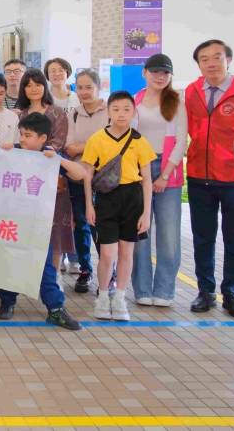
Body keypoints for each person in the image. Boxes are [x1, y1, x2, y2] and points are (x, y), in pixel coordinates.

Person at [184, 39, 234, 319]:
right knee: (202, 238)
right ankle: (205, 291)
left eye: (217, 57)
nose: (211, 63)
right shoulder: (193, 91)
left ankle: (231, 293)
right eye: (204, 59)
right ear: (198, 64)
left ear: (227, 60)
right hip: (199, 176)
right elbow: (191, 128)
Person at [0, 113, 85, 331]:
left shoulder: (49, 156)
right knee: (11, 261)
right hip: (13, 222)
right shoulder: (12, 151)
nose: (23, 139)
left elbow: (80, 174)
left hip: (39, 224)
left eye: (28, 135)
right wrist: (2, 151)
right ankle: (7, 301)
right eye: (21, 134)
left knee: (45, 267)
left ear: (43, 138)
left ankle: (55, 308)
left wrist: (58, 159)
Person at [82, 91, 156, 321]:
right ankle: (103, 297)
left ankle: (120, 299)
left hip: (133, 199)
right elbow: (87, 174)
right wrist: (89, 205)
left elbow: (147, 180)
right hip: (106, 199)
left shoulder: (139, 141)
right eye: (116, 109)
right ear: (108, 112)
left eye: (126, 109)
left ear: (134, 112)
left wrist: (146, 213)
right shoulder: (96, 139)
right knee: (107, 254)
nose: (121, 114)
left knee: (126, 252)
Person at [131, 54, 188, 308]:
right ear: (144, 72)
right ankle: (142, 289)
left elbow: (181, 142)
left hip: (168, 171)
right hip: (138, 169)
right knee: (139, 232)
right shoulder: (135, 101)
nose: (160, 76)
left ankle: (164, 291)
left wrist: (164, 175)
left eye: (165, 73)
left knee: (169, 235)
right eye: (155, 71)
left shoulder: (177, 103)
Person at [17, 69, 73, 270]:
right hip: (26, 180)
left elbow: (59, 142)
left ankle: (54, 274)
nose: (33, 89)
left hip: (53, 177)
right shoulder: (21, 114)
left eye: (38, 84)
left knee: (55, 228)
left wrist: (39, 153)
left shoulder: (57, 112)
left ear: (45, 86)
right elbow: (18, 144)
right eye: (28, 85)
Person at [64, 69, 110, 293]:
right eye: (80, 87)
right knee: (80, 224)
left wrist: (84, 146)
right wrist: (94, 145)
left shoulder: (110, 111)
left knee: (102, 227)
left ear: (98, 88)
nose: (84, 92)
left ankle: (108, 274)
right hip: (78, 177)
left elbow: (112, 145)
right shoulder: (73, 114)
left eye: (88, 87)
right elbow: (69, 147)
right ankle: (85, 270)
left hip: (105, 180)